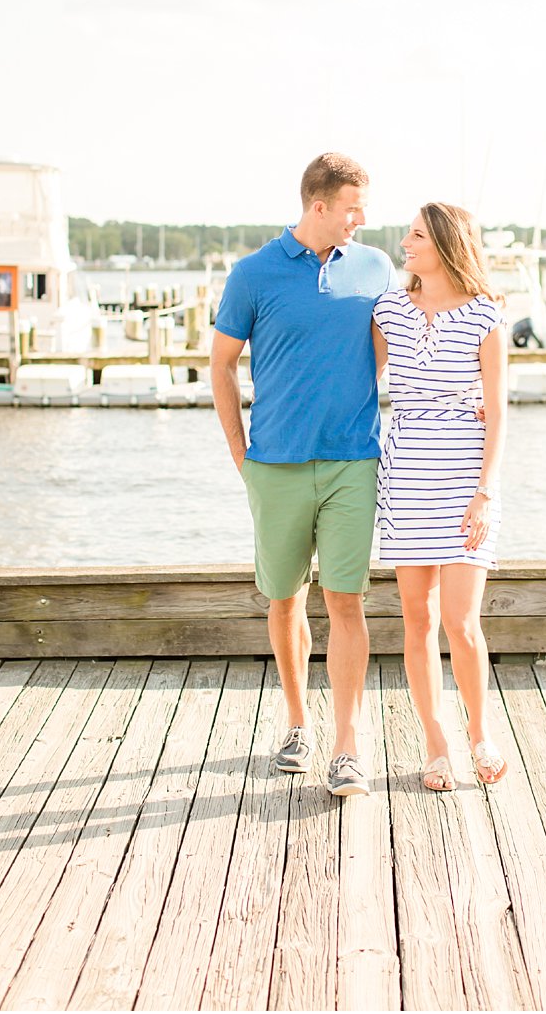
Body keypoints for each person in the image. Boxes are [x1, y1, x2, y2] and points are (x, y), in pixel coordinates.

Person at [211, 154, 398, 796]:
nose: (362, 219)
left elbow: (404, 342)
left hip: (353, 462)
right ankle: (297, 724)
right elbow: (221, 366)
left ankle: (347, 745)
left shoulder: (376, 268)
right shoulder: (252, 275)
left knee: (346, 600)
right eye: (352, 207)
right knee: (285, 597)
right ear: (318, 205)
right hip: (276, 466)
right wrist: (242, 456)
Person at [372, 203, 509, 791]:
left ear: (448, 244)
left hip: (462, 480)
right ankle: (435, 742)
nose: (405, 242)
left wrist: (484, 491)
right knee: (417, 619)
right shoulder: (387, 310)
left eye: (417, 234)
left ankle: (480, 734)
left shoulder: (485, 317)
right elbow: (357, 379)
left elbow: (500, 411)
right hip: (405, 475)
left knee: (462, 622)